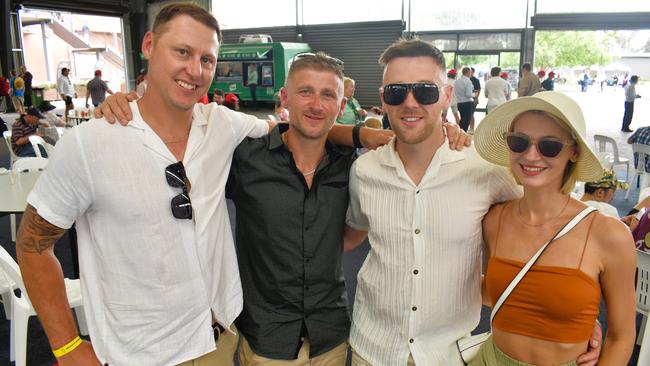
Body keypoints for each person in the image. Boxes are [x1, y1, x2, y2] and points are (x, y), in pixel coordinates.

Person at [15, 4, 270, 365]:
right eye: (182, 51)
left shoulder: (221, 125)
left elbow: (294, 132)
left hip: (221, 338)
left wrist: (360, 134)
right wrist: (67, 346)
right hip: (141, 355)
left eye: (207, 60)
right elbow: (31, 246)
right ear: (149, 45)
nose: (195, 70)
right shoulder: (90, 143)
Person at [343, 39, 603, 366]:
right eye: (396, 92)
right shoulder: (364, 171)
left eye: (425, 91)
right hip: (374, 348)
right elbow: (352, 231)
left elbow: (549, 226)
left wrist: (568, 310)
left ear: (447, 96)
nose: (410, 103)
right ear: (383, 100)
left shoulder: (483, 169)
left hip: (452, 353)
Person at [472, 91, 635, 365]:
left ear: (574, 152)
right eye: (519, 142)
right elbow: (492, 293)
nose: (531, 155)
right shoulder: (494, 220)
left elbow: (621, 336)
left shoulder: (608, 235)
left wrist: (578, 319)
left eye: (549, 146)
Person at [455, 66, 474, 131]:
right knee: (466, 121)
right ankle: (463, 134)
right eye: (471, 72)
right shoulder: (468, 81)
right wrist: (474, 95)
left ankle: (459, 132)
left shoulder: (457, 81)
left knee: (462, 119)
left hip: (460, 102)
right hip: (467, 103)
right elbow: (468, 94)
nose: (471, 74)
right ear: (468, 72)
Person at [469, 67, 481, 132]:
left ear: (473, 72)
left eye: (470, 71)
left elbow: (478, 90)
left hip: (473, 99)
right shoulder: (466, 79)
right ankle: (469, 128)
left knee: (471, 114)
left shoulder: (476, 80)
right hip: (465, 99)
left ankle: (471, 128)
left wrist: (476, 99)